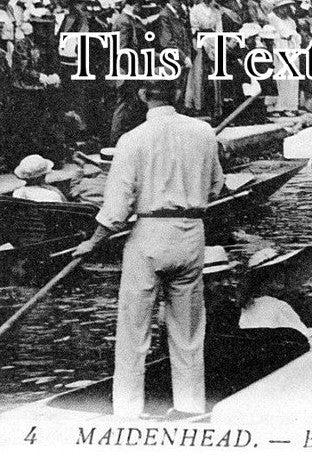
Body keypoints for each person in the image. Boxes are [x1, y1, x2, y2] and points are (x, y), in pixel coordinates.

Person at [73, 80, 225, 418]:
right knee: (187, 333)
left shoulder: (132, 140)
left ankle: (127, 413)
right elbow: (216, 186)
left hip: (149, 234)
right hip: (191, 233)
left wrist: (93, 242)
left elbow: (116, 207)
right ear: (180, 94)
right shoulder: (204, 132)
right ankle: (190, 408)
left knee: (133, 332)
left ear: (143, 96)